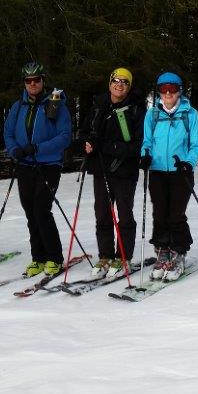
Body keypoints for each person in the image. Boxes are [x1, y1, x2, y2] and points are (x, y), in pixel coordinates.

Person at [3, 61, 72, 277]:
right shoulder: (18, 107)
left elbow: (65, 136)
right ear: (24, 83)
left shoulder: (56, 103)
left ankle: (54, 257)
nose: (33, 84)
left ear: (43, 81)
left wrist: (38, 148)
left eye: (36, 80)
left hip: (49, 165)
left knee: (42, 209)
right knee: (30, 212)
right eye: (28, 81)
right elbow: (8, 133)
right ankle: (38, 257)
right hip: (25, 165)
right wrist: (15, 150)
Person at [79, 68, 146, 279]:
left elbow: (137, 146)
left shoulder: (136, 109)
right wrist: (86, 143)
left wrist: (105, 146)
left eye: (125, 82)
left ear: (129, 86)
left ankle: (123, 256)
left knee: (124, 214)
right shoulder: (99, 106)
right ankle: (105, 255)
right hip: (100, 169)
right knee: (103, 213)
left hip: (124, 170)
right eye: (116, 81)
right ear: (110, 83)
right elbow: (83, 132)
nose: (120, 85)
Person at [139, 71, 198, 281]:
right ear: (159, 92)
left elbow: (196, 145)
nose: (168, 93)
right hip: (157, 171)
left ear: (179, 91)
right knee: (159, 213)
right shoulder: (152, 114)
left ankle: (178, 252)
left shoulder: (190, 114)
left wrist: (188, 162)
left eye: (172, 89)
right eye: (164, 89)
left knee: (175, 214)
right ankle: (162, 251)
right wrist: (145, 156)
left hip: (180, 172)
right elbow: (147, 142)